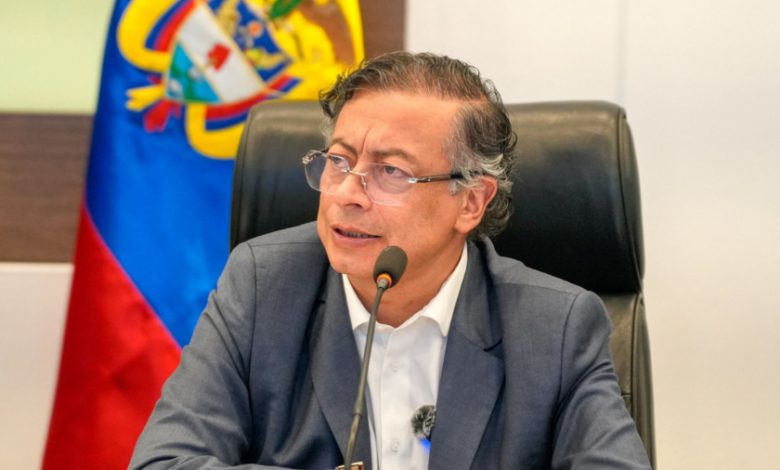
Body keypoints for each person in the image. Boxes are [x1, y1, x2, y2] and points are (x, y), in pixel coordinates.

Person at [130, 52, 652, 469]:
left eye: (391, 173)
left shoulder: (555, 327)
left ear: (471, 202)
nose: (345, 195)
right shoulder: (263, 286)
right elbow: (165, 461)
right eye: (338, 161)